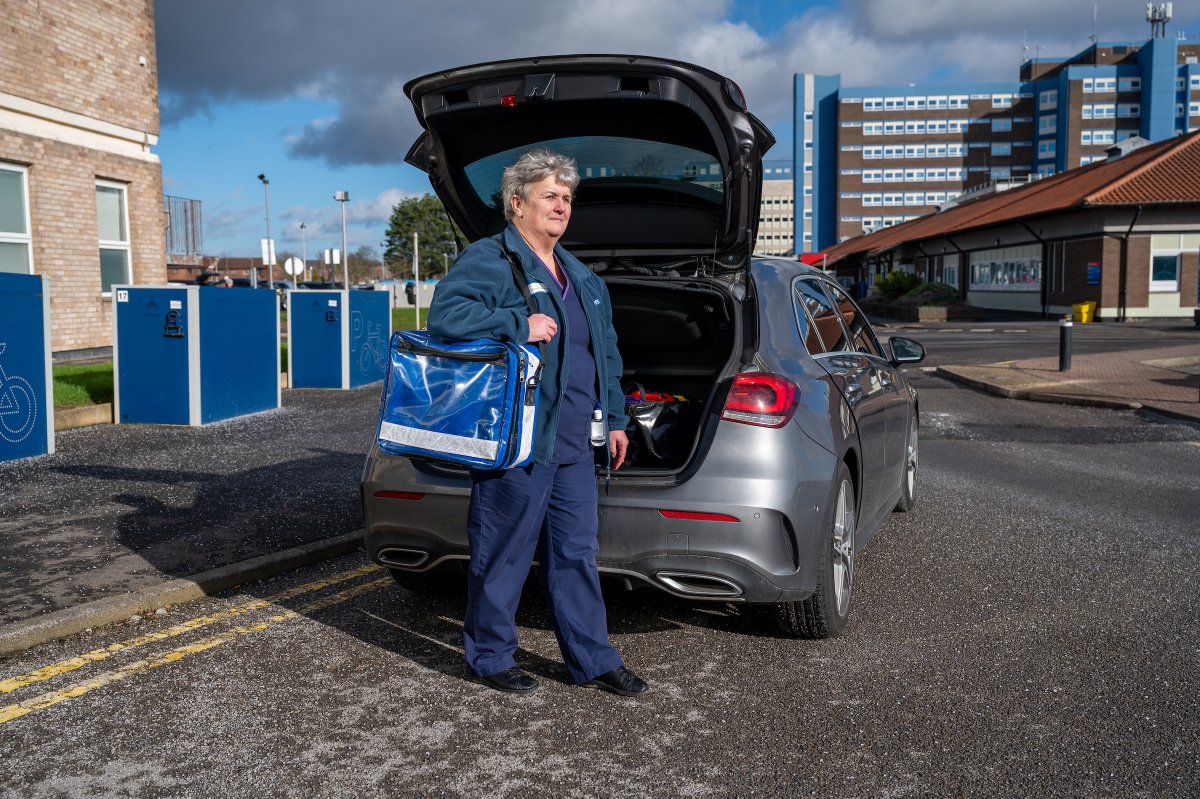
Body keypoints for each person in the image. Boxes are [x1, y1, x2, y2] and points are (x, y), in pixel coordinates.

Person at [426, 149, 648, 697]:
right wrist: (515, 323)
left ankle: (593, 660)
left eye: (567, 198)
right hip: (520, 438)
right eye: (550, 195)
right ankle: (490, 656)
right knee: (504, 551)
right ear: (517, 203)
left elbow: (607, 355)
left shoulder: (583, 277)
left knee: (575, 554)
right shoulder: (492, 259)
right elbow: (446, 317)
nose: (562, 206)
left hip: (574, 441)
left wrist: (615, 418)